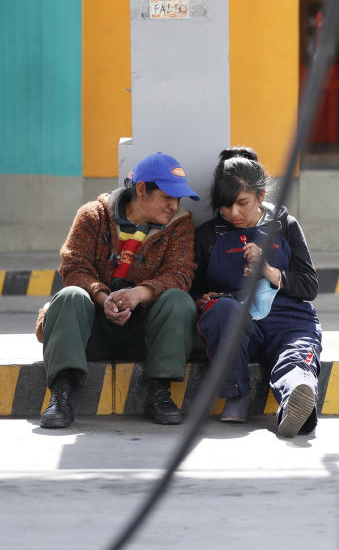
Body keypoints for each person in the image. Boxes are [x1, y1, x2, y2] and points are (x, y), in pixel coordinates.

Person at [36, 152, 200, 429]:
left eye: (178, 199)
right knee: (69, 296)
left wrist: (139, 294)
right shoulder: (93, 215)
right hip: (92, 330)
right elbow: (73, 266)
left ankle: (159, 391)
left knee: (179, 300)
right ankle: (61, 394)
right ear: (141, 190)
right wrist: (102, 298)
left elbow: (180, 273)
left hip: (144, 334)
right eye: (167, 197)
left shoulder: (179, 225)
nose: (173, 205)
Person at [192, 147, 322, 438]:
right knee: (221, 311)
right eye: (225, 206)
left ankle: (296, 403)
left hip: (288, 321)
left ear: (261, 196)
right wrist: (201, 299)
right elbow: (193, 287)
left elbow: (310, 286)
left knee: (296, 357)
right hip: (240, 325)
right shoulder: (208, 235)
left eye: (242, 203)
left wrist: (270, 271)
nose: (233, 213)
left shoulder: (285, 226)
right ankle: (236, 395)